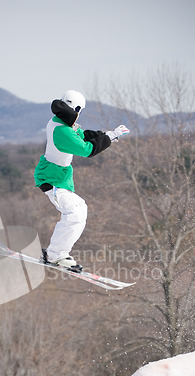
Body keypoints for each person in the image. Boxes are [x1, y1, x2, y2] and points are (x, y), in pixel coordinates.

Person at [34, 89, 129, 271]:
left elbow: (83, 135)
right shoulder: (62, 130)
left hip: (58, 178)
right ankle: (56, 255)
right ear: (77, 109)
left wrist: (107, 135)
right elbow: (87, 150)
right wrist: (109, 138)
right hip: (52, 179)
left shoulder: (60, 122)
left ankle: (56, 253)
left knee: (79, 210)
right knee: (75, 212)